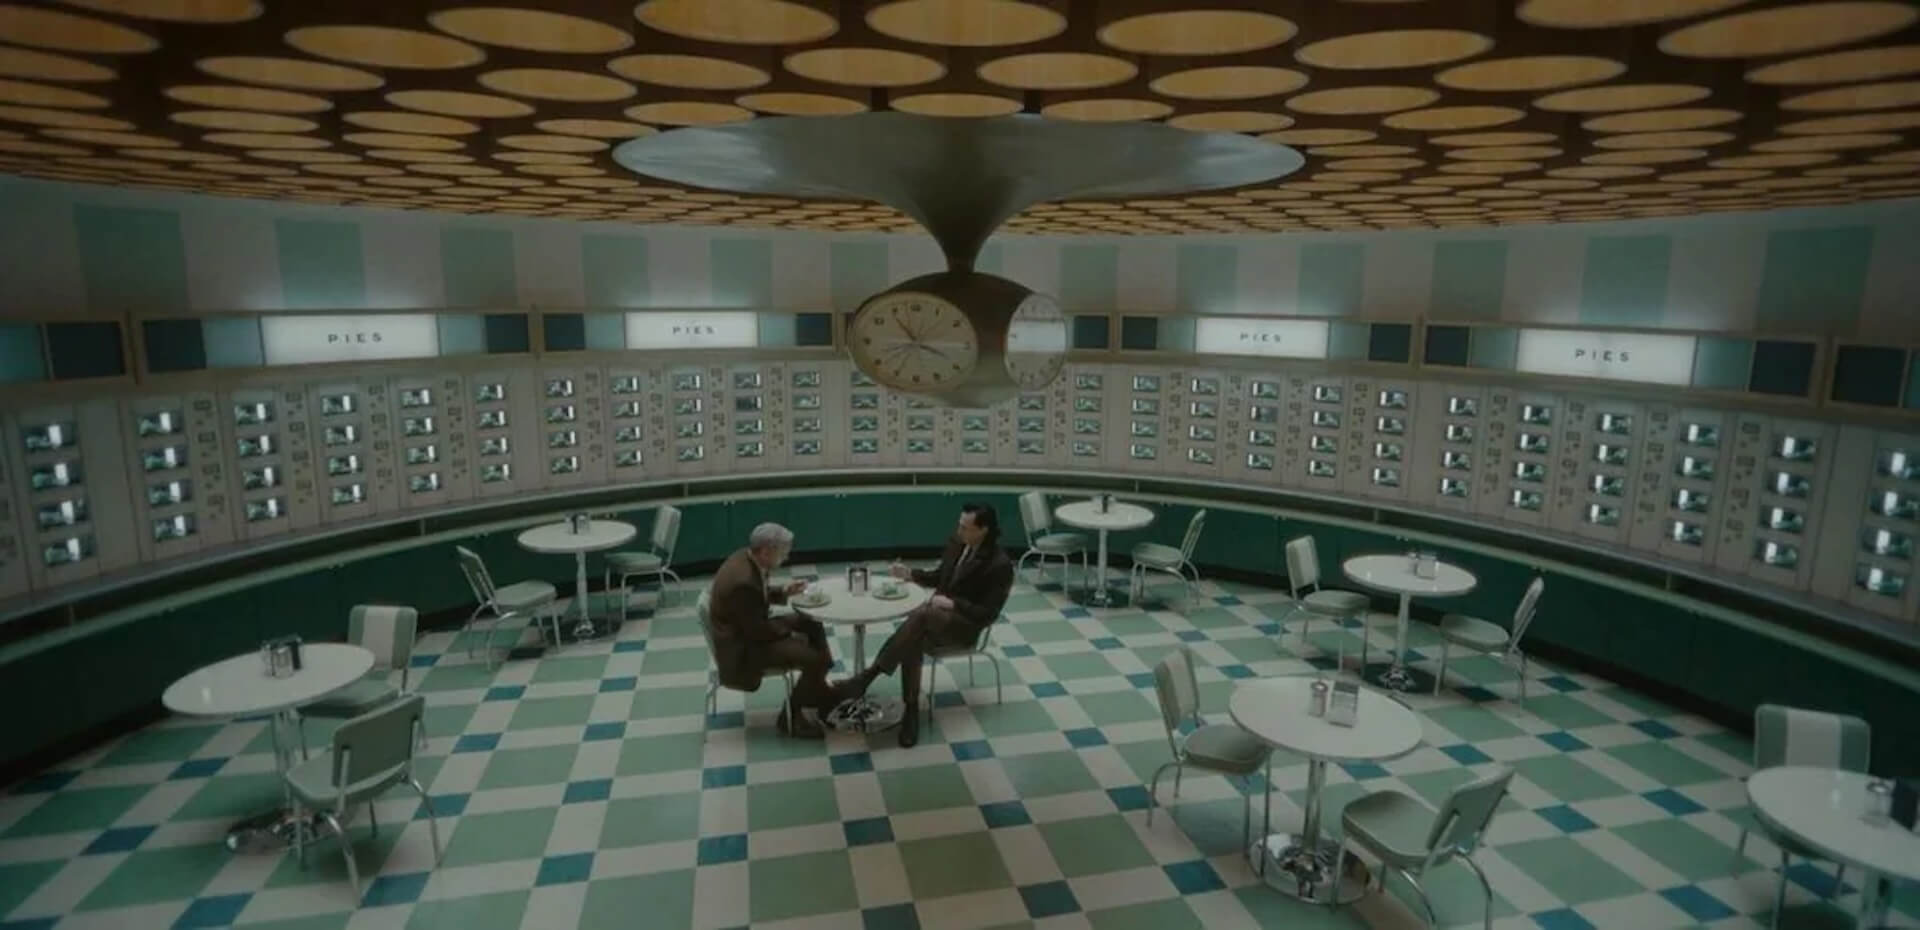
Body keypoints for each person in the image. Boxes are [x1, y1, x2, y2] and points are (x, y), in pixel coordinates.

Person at [837, 502, 1013, 747]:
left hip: (964, 627)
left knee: (921, 617)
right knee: (914, 637)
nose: (959, 531)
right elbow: (941, 577)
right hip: (935, 620)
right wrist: (911, 574)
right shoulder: (958, 543)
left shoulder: (999, 564)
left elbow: (987, 614)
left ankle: (868, 676)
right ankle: (910, 711)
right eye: (959, 525)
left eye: (965, 528)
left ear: (983, 530)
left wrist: (953, 604)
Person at [707, 523, 835, 738]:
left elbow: (755, 598)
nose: (786, 557)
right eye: (783, 553)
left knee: (811, 622)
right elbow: (758, 632)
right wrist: (790, 634)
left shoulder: (745, 558)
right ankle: (791, 718)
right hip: (743, 651)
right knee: (814, 658)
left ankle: (815, 687)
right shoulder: (743, 582)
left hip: (748, 631)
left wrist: (784, 591)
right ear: (766, 552)